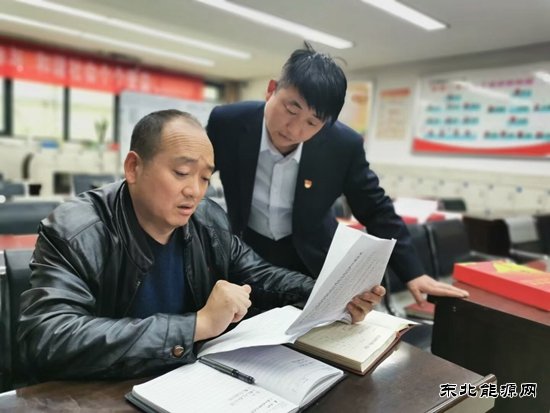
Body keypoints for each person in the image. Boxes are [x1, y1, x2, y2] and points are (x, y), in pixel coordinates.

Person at [17, 110, 384, 381]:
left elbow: (263, 276)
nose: (194, 191)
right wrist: (197, 325)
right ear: (133, 168)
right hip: (101, 392)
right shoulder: (77, 230)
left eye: (205, 178)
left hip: (190, 381)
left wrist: (334, 296)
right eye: (181, 173)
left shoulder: (207, 220)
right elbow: (47, 338)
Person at [207, 43, 469, 304]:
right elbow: (198, 172)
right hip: (246, 251)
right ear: (271, 89)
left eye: (312, 122)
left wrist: (413, 272)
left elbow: (376, 209)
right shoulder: (229, 123)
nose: (294, 129)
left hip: (310, 260)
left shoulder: (342, 145)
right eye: (291, 109)